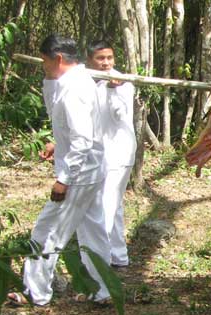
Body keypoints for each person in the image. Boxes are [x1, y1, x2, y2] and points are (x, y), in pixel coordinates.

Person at [8, 34, 111, 306]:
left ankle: (36, 292)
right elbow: (76, 127)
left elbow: (82, 140)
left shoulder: (74, 88)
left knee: (48, 230)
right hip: (93, 169)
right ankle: (102, 289)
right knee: (93, 232)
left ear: (59, 59)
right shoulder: (73, 82)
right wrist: (58, 142)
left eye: (45, 60)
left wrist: (63, 180)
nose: (43, 66)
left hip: (79, 174)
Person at [86, 40, 136, 267]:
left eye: (109, 58)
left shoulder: (124, 83)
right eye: (100, 58)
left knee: (107, 204)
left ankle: (99, 262)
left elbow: (119, 114)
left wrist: (114, 89)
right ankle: (118, 256)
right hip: (98, 152)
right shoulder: (84, 81)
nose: (106, 63)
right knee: (112, 204)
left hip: (119, 152)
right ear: (90, 60)